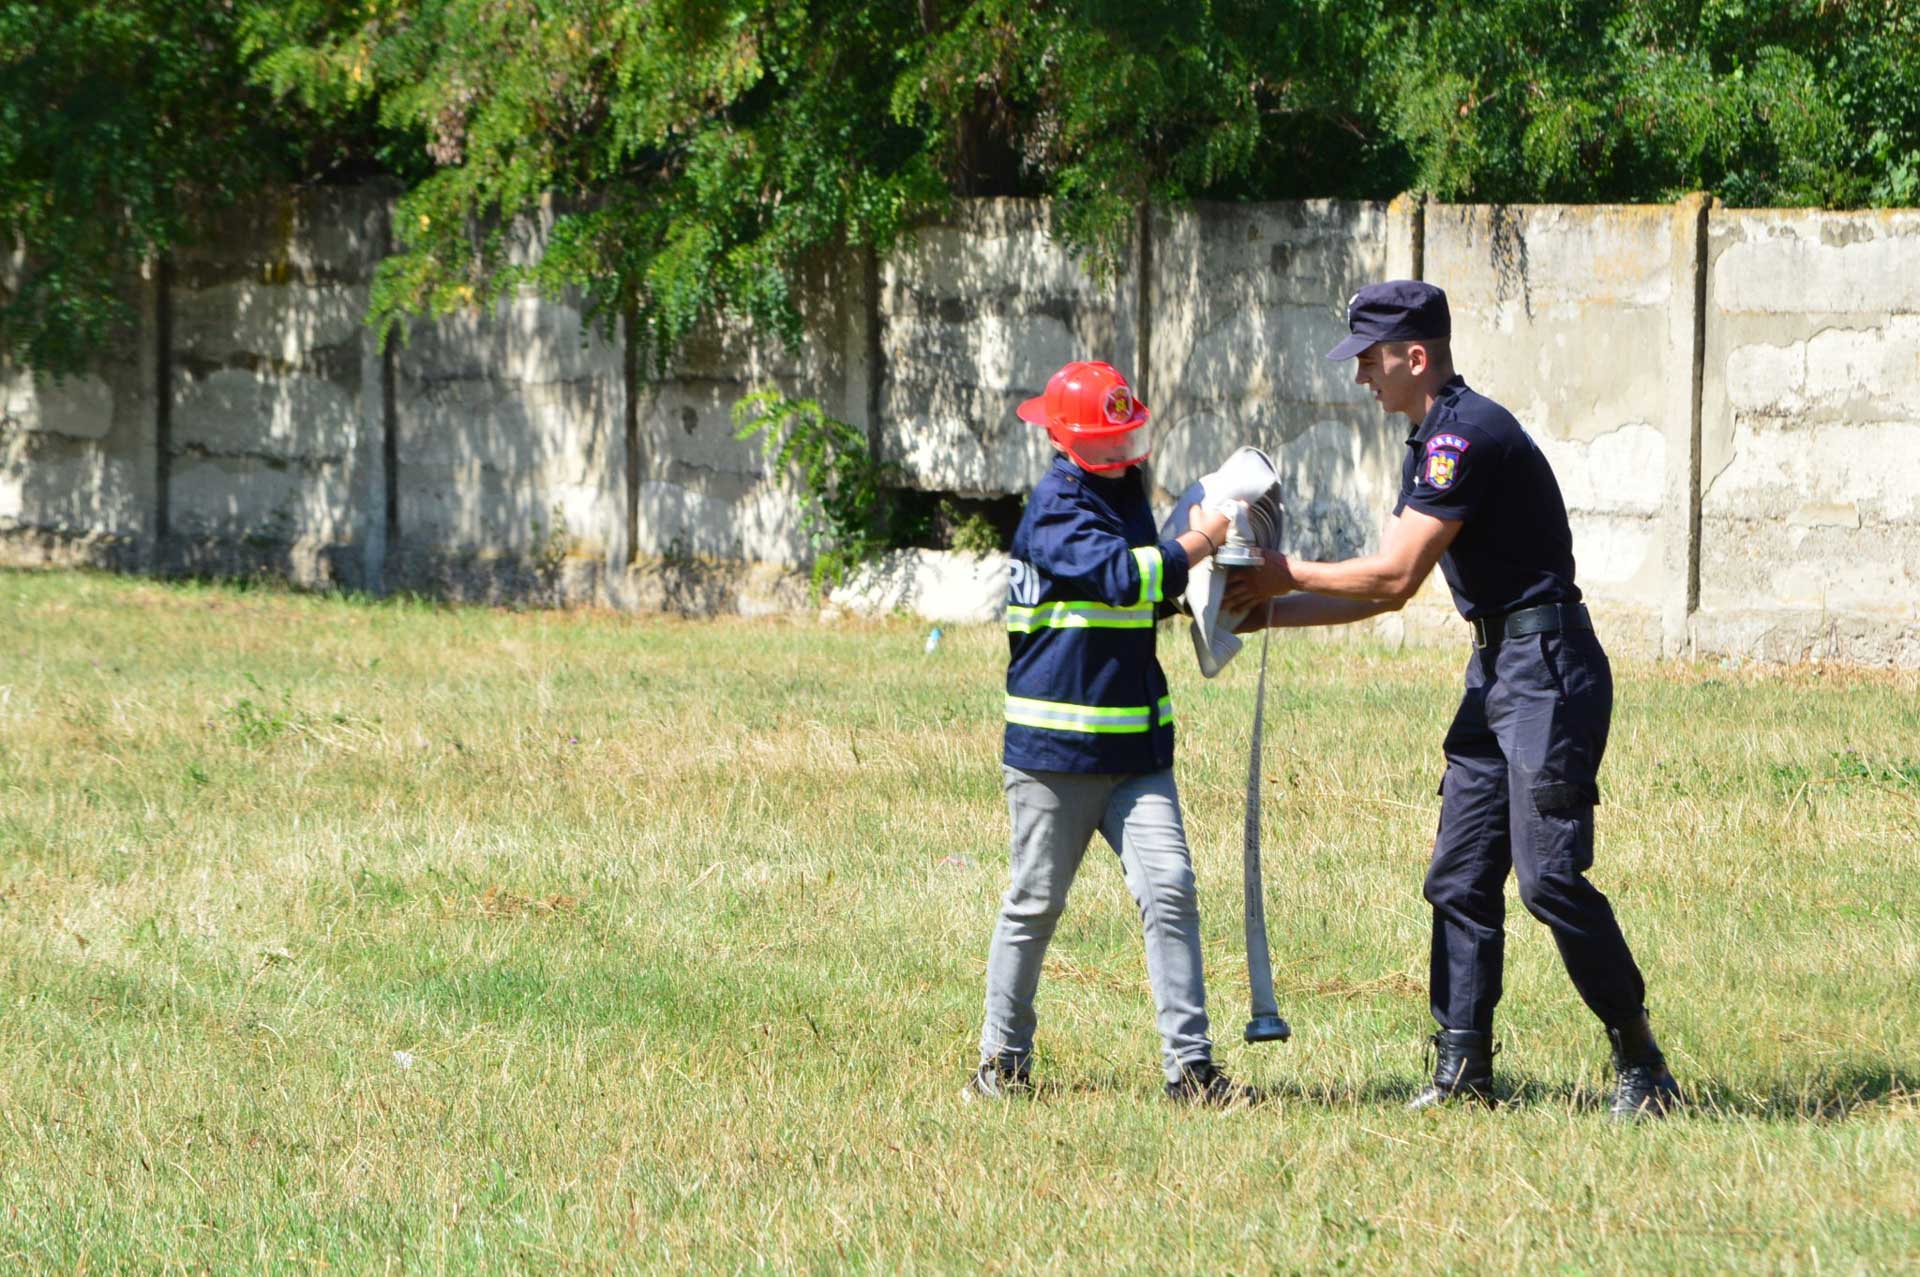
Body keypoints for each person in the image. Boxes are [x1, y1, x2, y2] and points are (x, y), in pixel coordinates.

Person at [1222, 281, 1682, 1120]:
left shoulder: (1464, 438)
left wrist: (1284, 573)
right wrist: (1268, 613)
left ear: (1415, 355)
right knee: (1460, 875)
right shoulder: (1430, 437)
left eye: (1370, 356)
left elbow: (1393, 572)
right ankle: (1463, 1071)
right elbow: (1388, 593)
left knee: (1549, 880)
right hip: (1499, 667)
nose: (1361, 373)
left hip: (1546, 668)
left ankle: (1643, 1063)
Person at [967, 359, 1259, 1107]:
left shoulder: (1123, 489)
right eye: (1105, 441)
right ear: (1066, 440)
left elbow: (1144, 597)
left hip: (1136, 752)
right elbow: (1124, 579)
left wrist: (1218, 588)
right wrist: (1200, 541)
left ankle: (1190, 1072)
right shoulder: (1057, 506)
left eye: (1125, 438)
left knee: (1171, 891)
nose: (1120, 453)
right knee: (1033, 905)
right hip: (1054, 756)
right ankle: (1001, 1065)